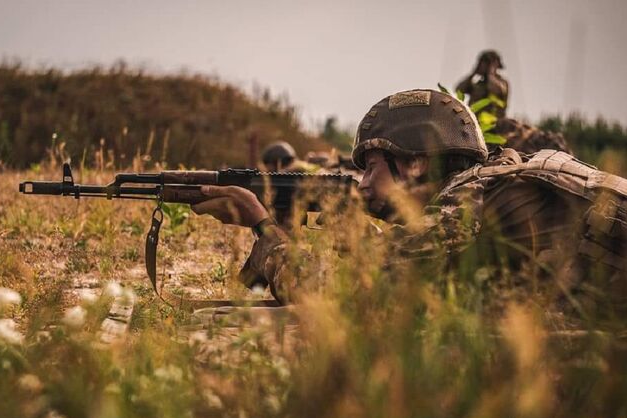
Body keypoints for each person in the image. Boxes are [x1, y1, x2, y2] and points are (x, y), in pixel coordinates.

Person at [191, 89, 627, 318]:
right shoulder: (496, 180)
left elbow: (335, 293)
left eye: (372, 168)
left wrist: (264, 226)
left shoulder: (468, 204)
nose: (362, 184)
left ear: (416, 164)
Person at [456, 50, 509, 118]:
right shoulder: (478, 84)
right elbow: (459, 89)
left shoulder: (502, 82)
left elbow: (495, 89)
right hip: (475, 120)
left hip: (494, 122)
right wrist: (473, 73)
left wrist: (490, 72)